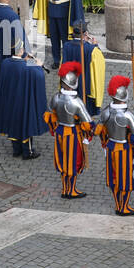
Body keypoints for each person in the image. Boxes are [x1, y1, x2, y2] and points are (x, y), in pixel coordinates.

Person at [93, 75, 134, 216]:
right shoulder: (128, 115)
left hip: (110, 148)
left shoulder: (105, 112)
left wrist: (105, 144)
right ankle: (124, 207)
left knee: (114, 177)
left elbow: (99, 131)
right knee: (126, 178)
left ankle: (117, 205)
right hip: (125, 150)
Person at [45, 62, 93, 199]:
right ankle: (70, 190)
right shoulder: (77, 102)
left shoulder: (55, 97)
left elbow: (49, 115)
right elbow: (88, 123)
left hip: (60, 132)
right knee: (73, 162)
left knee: (62, 160)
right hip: (72, 134)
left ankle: (65, 189)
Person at [0, 39, 46, 160]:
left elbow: (22, 63)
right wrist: (38, 64)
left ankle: (16, 150)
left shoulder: (5, 62)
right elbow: (38, 75)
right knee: (24, 124)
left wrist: (29, 61)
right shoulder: (26, 66)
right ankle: (28, 151)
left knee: (13, 123)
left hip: (10, 100)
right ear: (20, 50)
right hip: (22, 100)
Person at [60, 21, 104, 116]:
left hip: (70, 85)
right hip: (85, 86)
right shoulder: (91, 49)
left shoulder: (66, 46)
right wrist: (96, 45)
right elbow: (99, 64)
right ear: (85, 34)